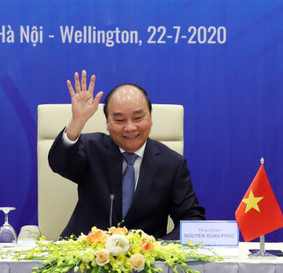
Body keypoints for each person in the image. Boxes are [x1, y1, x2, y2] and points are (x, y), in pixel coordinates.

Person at [48, 70, 205, 239]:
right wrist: (77, 123)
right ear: (107, 123)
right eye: (120, 120)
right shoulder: (90, 148)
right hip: (84, 256)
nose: (130, 128)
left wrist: (158, 248)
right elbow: (59, 163)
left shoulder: (172, 164)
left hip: (145, 262)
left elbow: (191, 221)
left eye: (138, 118)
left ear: (151, 118)